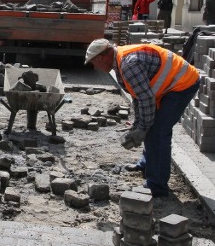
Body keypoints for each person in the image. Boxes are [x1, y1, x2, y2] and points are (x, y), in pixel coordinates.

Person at [85, 39, 200, 197]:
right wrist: (138, 125)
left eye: (93, 63)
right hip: (170, 85)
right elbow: (137, 96)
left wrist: (143, 128)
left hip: (183, 84)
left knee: (158, 131)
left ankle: (157, 186)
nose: (94, 67)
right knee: (151, 126)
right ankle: (146, 164)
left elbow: (146, 100)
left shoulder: (128, 65)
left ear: (101, 58)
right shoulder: (120, 63)